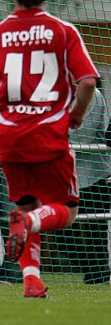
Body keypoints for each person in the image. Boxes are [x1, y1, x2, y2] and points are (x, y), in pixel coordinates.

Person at [0, 0, 99, 298]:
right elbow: (87, 81)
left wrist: (10, 108)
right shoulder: (63, 31)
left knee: (26, 206)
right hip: (48, 135)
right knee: (66, 211)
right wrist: (76, 114)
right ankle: (27, 225)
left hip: (8, 136)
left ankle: (31, 281)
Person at [54, 83, 110, 284]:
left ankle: (98, 277)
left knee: (96, 235)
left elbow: (85, 133)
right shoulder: (52, 92)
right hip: (62, 178)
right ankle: (95, 271)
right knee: (61, 236)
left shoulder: (93, 95)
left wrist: (54, 132)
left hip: (93, 176)